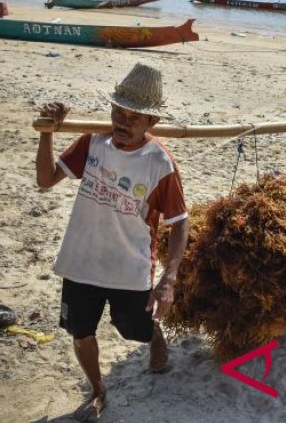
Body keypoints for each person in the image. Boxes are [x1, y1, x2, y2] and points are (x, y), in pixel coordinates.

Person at [36, 63, 189, 422]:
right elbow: (45, 180)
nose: (122, 122)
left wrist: (169, 278)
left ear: (151, 122)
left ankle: (153, 337)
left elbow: (180, 223)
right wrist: (47, 133)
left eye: (134, 117)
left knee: (132, 329)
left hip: (130, 267)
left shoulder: (160, 162)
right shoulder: (92, 143)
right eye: (118, 112)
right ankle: (97, 389)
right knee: (80, 330)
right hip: (81, 260)